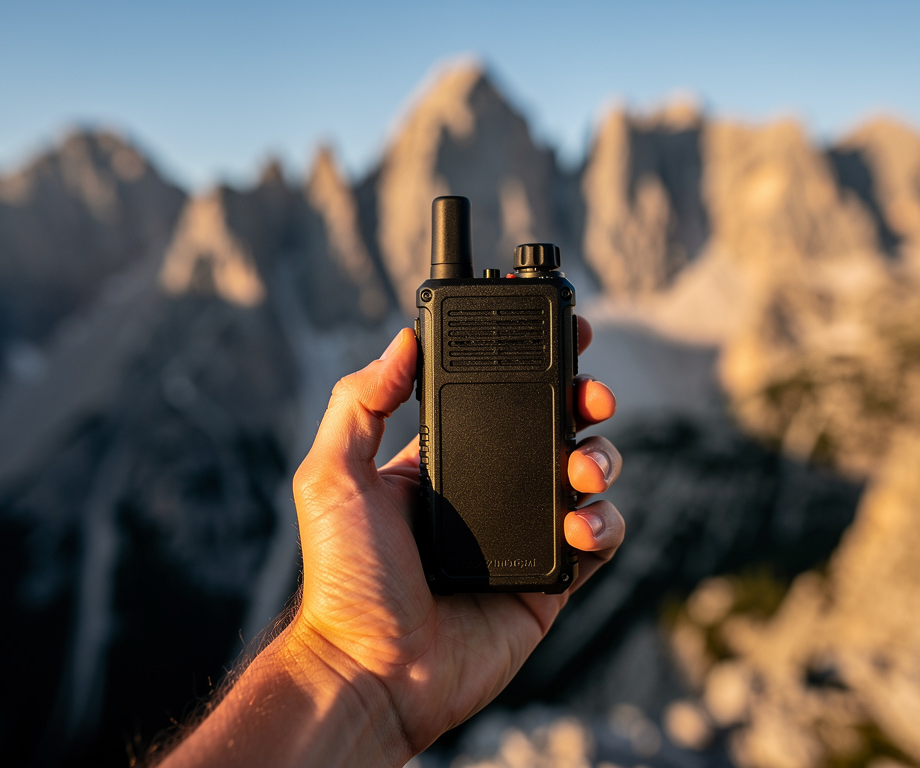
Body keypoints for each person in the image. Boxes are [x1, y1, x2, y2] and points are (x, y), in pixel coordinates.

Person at [155, 319, 624, 767]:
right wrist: (346, 655)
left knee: (584, 479)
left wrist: (348, 665)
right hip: (422, 625)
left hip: (441, 608)